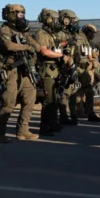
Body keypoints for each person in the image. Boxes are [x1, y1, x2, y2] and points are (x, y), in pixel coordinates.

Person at [0, 4, 43, 142]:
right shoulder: (4, 30)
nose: (21, 16)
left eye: (22, 13)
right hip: (12, 70)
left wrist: (26, 35)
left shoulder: (22, 32)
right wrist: (27, 47)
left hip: (25, 71)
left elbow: (38, 47)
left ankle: (23, 130)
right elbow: (9, 46)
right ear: (9, 14)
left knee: (30, 99)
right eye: (17, 13)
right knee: (8, 102)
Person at [33, 8, 70, 136]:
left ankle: (53, 123)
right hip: (47, 70)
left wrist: (65, 44)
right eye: (55, 20)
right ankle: (44, 127)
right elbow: (44, 51)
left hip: (54, 69)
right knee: (48, 99)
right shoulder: (41, 34)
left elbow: (54, 46)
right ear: (48, 20)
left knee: (54, 98)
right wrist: (61, 56)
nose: (57, 22)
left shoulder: (51, 34)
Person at [73, 24, 100, 122]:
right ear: (88, 32)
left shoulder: (87, 42)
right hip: (78, 69)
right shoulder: (79, 39)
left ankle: (89, 112)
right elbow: (77, 56)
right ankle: (79, 111)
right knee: (79, 92)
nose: (93, 35)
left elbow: (88, 56)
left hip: (85, 70)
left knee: (89, 91)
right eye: (92, 33)